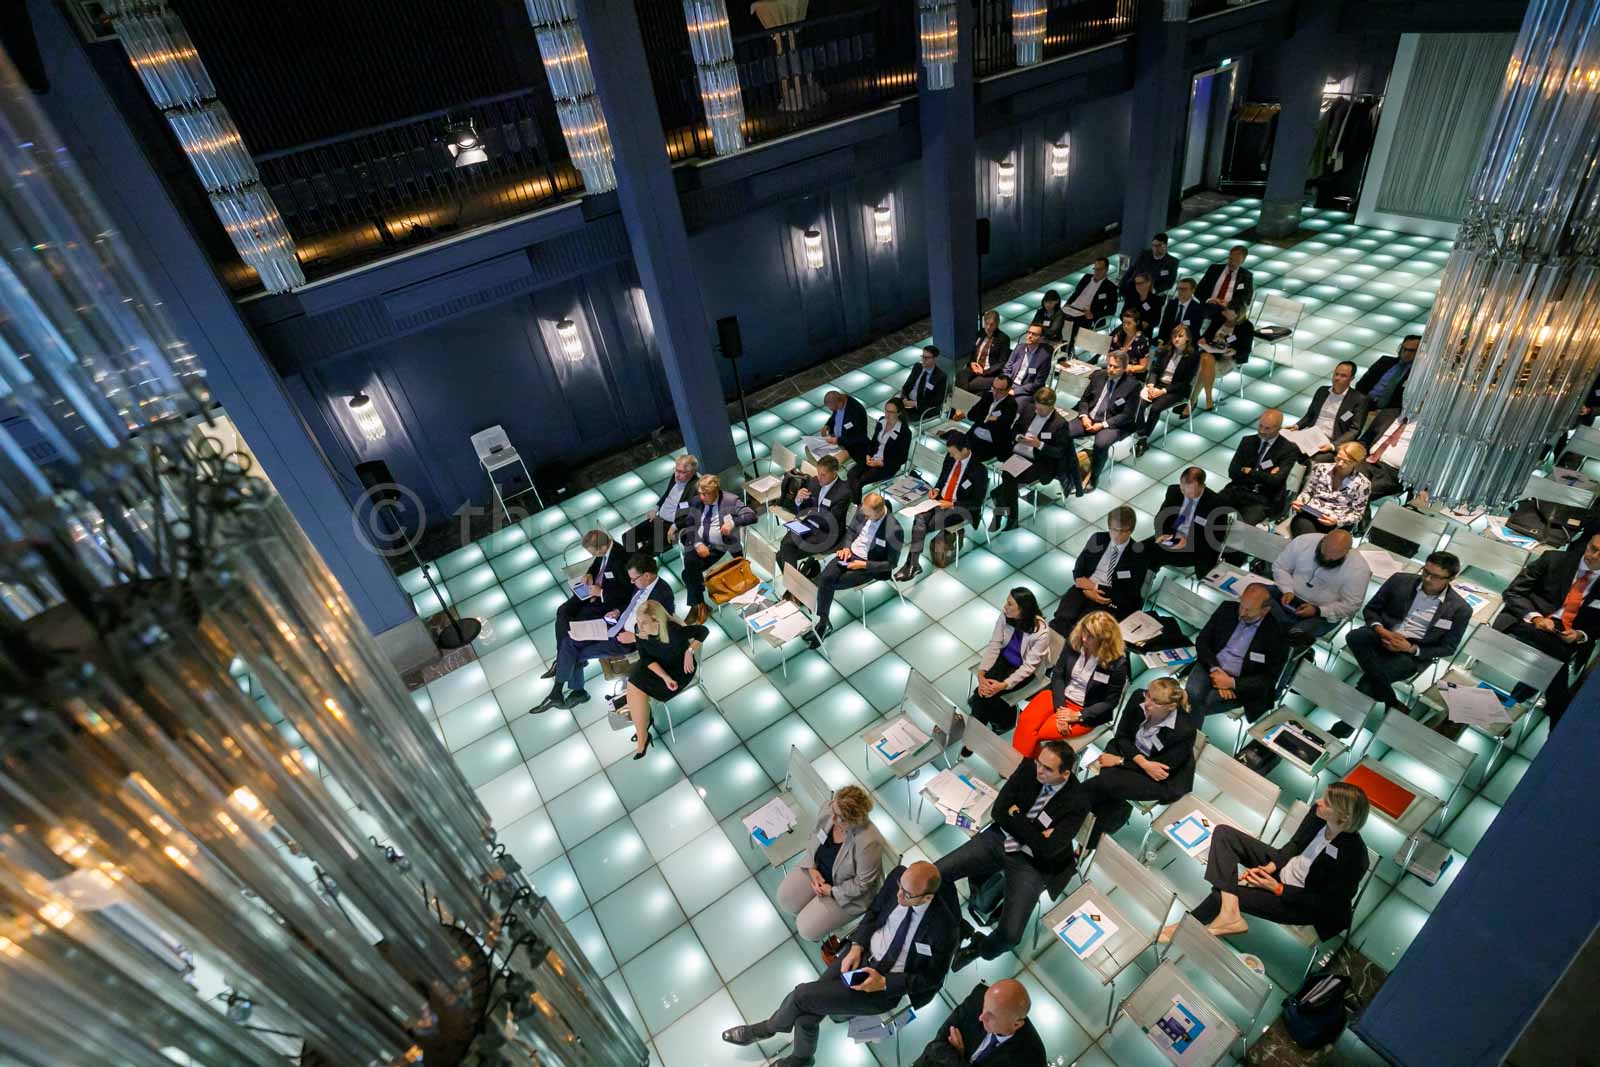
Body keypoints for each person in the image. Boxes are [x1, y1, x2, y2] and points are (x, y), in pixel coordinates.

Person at [722, 861, 960, 1067]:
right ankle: (801, 1059)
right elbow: (874, 913)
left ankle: (766, 1029)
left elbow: (932, 980)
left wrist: (885, 983)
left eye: (907, 895)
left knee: (802, 996)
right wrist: (857, 946)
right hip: (861, 955)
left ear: (927, 898)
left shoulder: (944, 928)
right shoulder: (899, 876)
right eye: (899, 887)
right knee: (807, 1016)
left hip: (884, 986)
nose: (899, 896)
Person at [938, 741, 1087, 970]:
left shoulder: (1077, 801)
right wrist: (1035, 832)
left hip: (1032, 863)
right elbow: (999, 811)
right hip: (1000, 839)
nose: (1039, 770)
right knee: (936, 874)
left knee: (1010, 936)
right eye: (1039, 763)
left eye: (1048, 769)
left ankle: (980, 949)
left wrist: (1016, 816)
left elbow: (1047, 850)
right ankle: (957, 926)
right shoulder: (1028, 768)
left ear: (1065, 774)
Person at [1164, 783, 1370, 943]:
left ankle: (1184, 929)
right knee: (1224, 833)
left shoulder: (1354, 858)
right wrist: (1271, 867)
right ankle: (1230, 913)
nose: (1318, 801)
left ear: (1342, 818)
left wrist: (1277, 888)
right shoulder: (1318, 813)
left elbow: (1326, 903)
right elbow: (1296, 843)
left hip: (1301, 901)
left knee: (1220, 894)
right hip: (1285, 868)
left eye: (1326, 802)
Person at [530, 553, 674, 712]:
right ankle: (570, 692)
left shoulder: (663, 595)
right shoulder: (641, 585)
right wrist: (618, 611)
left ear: (647, 575)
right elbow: (631, 603)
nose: (632, 582)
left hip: (624, 639)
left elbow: (664, 630)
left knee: (574, 653)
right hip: (613, 625)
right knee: (569, 640)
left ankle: (562, 693)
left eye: (634, 579)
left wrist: (634, 637)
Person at [1492, 532, 1600, 723]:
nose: (1593, 556)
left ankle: (1510, 705)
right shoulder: (1554, 560)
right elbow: (1513, 593)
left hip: (1566, 634)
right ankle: (1551, 712)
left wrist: (1579, 634)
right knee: (1555, 660)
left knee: (1552, 656)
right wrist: (1536, 618)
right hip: (1527, 620)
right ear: (1588, 543)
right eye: (1593, 548)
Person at [1079, 677, 1198, 842]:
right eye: (1148, 695)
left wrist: (1120, 761)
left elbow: (1161, 770)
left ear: (1171, 706)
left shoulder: (1185, 730)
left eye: (1155, 701)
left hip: (1159, 777)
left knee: (1106, 784)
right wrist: (1140, 762)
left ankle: (1076, 825)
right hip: (1127, 753)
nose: (1147, 703)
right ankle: (1090, 838)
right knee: (1110, 788)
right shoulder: (1138, 698)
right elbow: (1122, 735)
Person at [1346, 552, 1470, 710]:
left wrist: (1410, 648)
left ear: (1451, 579)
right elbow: (1371, 609)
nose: (1427, 579)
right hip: (1383, 634)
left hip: (1410, 654)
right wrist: (1382, 631)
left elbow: (1448, 648)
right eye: (1426, 571)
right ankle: (1391, 700)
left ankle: (1350, 720)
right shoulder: (1400, 581)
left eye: (1435, 577)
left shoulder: (1460, 609)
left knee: (1368, 686)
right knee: (1355, 636)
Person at [1012, 610, 1128, 758]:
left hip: (1086, 710)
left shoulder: (1117, 665)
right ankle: (1021, 765)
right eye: (1084, 631)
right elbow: (1058, 674)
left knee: (1040, 733)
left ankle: (1021, 766)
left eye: (1091, 636)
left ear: (1104, 640)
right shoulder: (1074, 642)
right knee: (1025, 722)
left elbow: (1110, 702)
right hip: (1058, 696)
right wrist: (1061, 711)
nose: (1084, 638)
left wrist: (1078, 716)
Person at [777, 785, 886, 941]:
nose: (832, 818)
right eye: (833, 809)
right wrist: (812, 868)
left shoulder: (869, 843)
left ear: (853, 820)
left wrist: (832, 891)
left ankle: (817, 916)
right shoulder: (830, 809)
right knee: (785, 899)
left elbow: (863, 884)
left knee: (806, 930)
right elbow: (814, 836)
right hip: (818, 869)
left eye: (839, 817)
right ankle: (811, 910)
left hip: (844, 890)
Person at [808, 493, 902, 645]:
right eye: (863, 512)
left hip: (868, 564)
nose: (864, 516)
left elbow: (891, 564)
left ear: (879, 511)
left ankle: (822, 624)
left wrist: (863, 565)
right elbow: (851, 531)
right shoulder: (863, 510)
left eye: (868, 515)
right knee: (825, 579)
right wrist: (846, 548)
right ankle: (823, 621)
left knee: (828, 583)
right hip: (850, 554)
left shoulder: (894, 529)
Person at [894, 432, 988, 582]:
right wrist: (937, 489)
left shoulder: (979, 470)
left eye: (953, 453)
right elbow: (943, 478)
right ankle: (912, 564)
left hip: (958, 508)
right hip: (939, 501)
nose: (950, 456)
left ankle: (911, 564)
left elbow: (976, 503)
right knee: (920, 518)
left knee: (921, 526)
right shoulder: (950, 459)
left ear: (964, 450)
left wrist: (952, 504)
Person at [1186, 584, 1288, 721]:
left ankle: (1179, 730)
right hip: (1211, 665)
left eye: (1248, 610)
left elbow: (1269, 678)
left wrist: (1232, 683)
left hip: (1242, 681)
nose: (1241, 613)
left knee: (1204, 703)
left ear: (1265, 610)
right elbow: (1202, 640)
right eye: (1241, 606)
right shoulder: (1227, 609)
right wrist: (1216, 670)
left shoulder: (1277, 633)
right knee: (1192, 694)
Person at [622, 601, 708, 757]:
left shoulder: (673, 631)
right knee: (633, 685)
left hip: (678, 671)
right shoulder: (640, 630)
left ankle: (642, 731)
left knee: (636, 690)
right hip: (657, 665)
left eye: (643, 622)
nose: (639, 627)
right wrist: (664, 676)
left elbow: (703, 631)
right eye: (638, 621)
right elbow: (646, 658)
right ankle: (642, 735)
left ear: (656, 620)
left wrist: (689, 651)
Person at [1049, 505, 1147, 634]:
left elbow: (1129, 592)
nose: (1117, 535)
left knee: (1085, 630)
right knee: (1061, 620)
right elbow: (1079, 568)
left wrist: (1095, 587)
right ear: (1109, 527)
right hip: (1083, 589)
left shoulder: (1138, 554)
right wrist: (1087, 589)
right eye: (1114, 529)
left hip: (1108, 598)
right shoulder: (1098, 539)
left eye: (1123, 531)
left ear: (1131, 530)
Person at [676, 474, 757, 624]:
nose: (701, 497)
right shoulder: (697, 501)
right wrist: (698, 544)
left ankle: (698, 605)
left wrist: (732, 522)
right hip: (700, 544)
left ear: (715, 491)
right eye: (700, 493)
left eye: (705, 494)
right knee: (690, 563)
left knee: (688, 572)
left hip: (720, 547)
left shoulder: (730, 500)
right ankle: (699, 605)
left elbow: (752, 516)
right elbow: (690, 523)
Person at [968, 588, 1052, 732]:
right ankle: (991, 726)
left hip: (1025, 669)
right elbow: (995, 644)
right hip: (1004, 658)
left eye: (1010, 604)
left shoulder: (1041, 631)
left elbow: (1029, 667)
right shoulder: (1005, 615)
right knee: (984, 693)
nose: (1005, 606)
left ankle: (976, 731)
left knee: (986, 696)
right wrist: (982, 674)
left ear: (1023, 609)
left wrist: (1004, 685)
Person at [912, 979, 1046, 1067]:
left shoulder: (1032, 1058)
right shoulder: (979, 998)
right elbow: (936, 1047)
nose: (981, 1017)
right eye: (984, 1007)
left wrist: (959, 1057)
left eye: (991, 1016)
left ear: (1016, 1025)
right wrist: (961, 1058)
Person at [1269, 530, 1371, 644]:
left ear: (1347, 552)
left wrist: (1318, 611)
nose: (1326, 559)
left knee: (1295, 634)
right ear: (1323, 540)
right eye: (1324, 553)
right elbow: (1280, 567)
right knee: (1256, 594)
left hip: (1321, 614)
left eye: (1332, 559)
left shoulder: (1359, 569)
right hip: (1287, 595)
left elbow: (1351, 605)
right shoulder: (1304, 541)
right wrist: (1287, 589)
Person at [990, 386, 1070, 532]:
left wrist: (1039, 445)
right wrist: (1018, 437)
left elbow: (1059, 452)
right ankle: (1006, 514)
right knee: (1005, 484)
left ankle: (1007, 516)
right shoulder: (1029, 409)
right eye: (1036, 408)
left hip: (1039, 462)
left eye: (1041, 410)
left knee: (1008, 477)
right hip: (1018, 454)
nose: (1037, 411)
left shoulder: (1059, 424)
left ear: (1051, 406)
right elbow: (1015, 429)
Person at [1063, 350, 1140, 491]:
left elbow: (1127, 415)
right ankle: (1070, 467)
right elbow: (1084, 400)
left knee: (1101, 443)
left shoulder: (1132, 386)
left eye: (1115, 367)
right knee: (1063, 432)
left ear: (1124, 368)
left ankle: (1094, 476)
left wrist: (1103, 425)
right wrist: (1084, 416)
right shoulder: (1098, 376)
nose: (1111, 369)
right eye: (1109, 365)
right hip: (1090, 418)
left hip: (1113, 424)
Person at [549, 529, 632, 655]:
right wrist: (589, 574)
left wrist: (601, 592)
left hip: (605, 600)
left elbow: (626, 592)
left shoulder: (620, 560)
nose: (593, 555)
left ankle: (564, 656)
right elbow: (596, 564)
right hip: (591, 591)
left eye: (593, 553)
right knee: (563, 610)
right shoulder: (604, 550)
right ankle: (562, 655)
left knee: (575, 624)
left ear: (602, 547)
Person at [1143, 466, 1229, 579]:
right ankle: (1142, 581)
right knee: (1139, 550)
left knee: (1154, 556)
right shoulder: (1174, 491)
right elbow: (1161, 518)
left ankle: (1145, 581)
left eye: (1191, 493)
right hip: (1171, 537)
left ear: (1202, 486)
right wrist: (1163, 534)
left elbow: (1216, 538)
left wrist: (1187, 542)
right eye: (1183, 490)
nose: (1186, 495)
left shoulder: (1217, 504)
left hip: (1194, 548)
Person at [1218, 409, 1300, 525]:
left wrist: (1250, 472)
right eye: (1260, 426)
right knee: (1210, 511)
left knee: (1242, 527)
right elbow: (1233, 472)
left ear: (1279, 428)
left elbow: (1275, 481)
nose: (1262, 431)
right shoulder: (1247, 441)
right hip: (1237, 490)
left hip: (1262, 499)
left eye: (1267, 428)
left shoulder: (1288, 449)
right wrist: (1265, 475)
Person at [778, 454, 852, 575]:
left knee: (783, 552)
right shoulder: (814, 482)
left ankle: (793, 584)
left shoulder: (844, 492)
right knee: (785, 547)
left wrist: (811, 515)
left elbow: (829, 521)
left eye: (823, 475)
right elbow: (802, 510)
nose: (819, 478)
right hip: (808, 525)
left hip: (826, 534)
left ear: (834, 473)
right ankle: (795, 584)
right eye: (818, 473)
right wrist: (798, 499)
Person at [1130, 324, 1199, 449]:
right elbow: (1154, 371)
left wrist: (1163, 391)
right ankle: (1142, 434)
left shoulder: (1193, 357)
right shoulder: (1165, 350)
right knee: (1138, 403)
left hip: (1175, 390)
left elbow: (1184, 383)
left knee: (1155, 408)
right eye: (1174, 336)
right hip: (1157, 385)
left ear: (1187, 339)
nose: (1176, 339)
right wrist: (1151, 385)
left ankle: (1143, 438)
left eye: (1180, 336)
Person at [1290, 442, 1372, 536]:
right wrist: (1300, 501)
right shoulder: (1321, 468)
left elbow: (1357, 514)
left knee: (1325, 539)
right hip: (1311, 514)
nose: (1340, 464)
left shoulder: (1363, 484)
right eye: (1338, 458)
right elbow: (1309, 491)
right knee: (1305, 528)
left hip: (1336, 523)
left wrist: (1338, 521)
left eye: (1346, 461)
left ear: (1357, 463)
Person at [623, 453, 698, 554]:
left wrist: (675, 526)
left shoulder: (696, 488)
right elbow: (667, 494)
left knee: (642, 553)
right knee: (627, 537)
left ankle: (638, 561)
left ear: (691, 472)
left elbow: (693, 516)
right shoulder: (676, 477)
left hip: (670, 527)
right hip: (658, 519)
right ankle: (635, 562)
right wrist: (655, 508)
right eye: (676, 470)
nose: (676, 474)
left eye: (681, 472)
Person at [1291, 361, 1369, 460]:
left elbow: (1354, 430)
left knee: (1317, 459)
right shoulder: (1322, 391)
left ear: (1351, 378)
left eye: (1343, 376)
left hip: (1332, 440)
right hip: (1311, 435)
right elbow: (1310, 415)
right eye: (1336, 374)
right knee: (1284, 444)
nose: (1337, 378)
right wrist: (1296, 426)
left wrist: (1333, 446)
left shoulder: (1359, 399)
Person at [847, 396, 912, 503]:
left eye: (891, 412)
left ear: (899, 413)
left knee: (860, 480)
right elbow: (873, 442)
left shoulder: (904, 432)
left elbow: (901, 458)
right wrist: (868, 455)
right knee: (851, 474)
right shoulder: (882, 421)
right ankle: (852, 502)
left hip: (887, 465)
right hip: (873, 458)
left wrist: (881, 463)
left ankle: (856, 504)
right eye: (886, 410)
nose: (887, 415)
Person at [1194, 299, 1253, 412]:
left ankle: (1192, 400)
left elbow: (1246, 350)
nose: (1224, 313)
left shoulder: (1246, 327)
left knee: (1203, 366)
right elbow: (1208, 334)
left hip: (1227, 358)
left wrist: (1234, 351)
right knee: (1206, 359)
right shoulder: (1219, 318)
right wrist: (1203, 339)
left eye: (1228, 312)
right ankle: (1207, 399)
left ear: (1237, 315)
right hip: (1210, 352)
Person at [956, 374, 1020, 464]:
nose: (995, 393)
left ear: (1008, 390)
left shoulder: (1011, 405)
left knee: (969, 459)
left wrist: (983, 418)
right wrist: (988, 418)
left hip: (990, 442)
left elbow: (999, 427)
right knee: (955, 449)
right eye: (994, 388)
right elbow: (972, 415)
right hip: (973, 436)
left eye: (1000, 390)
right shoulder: (988, 395)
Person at [1355, 334, 1421, 417]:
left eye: (1411, 351)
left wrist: (1383, 412)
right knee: (1345, 417)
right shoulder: (1385, 361)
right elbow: (1362, 384)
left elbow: (1403, 401)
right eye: (1404, 349)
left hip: (1387, 411)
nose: (1406, 353)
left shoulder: (1417, 373)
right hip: (1364, 402)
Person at [1059, 257, 1119, 348]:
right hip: (1073, 308)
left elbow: (1111, 310)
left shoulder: (1110, 287)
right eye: (1095, 269)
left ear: (1106, 270)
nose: (1097, 272)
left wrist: (1093, 315)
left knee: (1070, 325)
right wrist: (1068, 303)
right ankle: (1059, 345)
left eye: (1100, 269)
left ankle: (1066, 348)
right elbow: (1076, 293)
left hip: (1086, 315)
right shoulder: (1086, 278)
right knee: (1056, 319)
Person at [1360, 409, 1416, 501]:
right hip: (1367, 460)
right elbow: (1367, 438)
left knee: (1363, 491)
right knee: (1346, 481)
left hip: (1392, 472)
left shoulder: (1430, 429)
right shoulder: (1389, 413)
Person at [1198, 244, 1254, 326]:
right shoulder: (1214, 269)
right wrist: (1209, 300)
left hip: (1228, 309)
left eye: (1237, 261)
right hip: (1209, 305)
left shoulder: (1246, 276)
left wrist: (1229, 304)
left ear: (1243, 261)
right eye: (1231, 259)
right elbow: (1199, 290)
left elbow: (1247, 299)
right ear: (1229, 256)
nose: (1233, 263)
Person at [992, 322, 1053, 397]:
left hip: (1025, 390)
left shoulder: (1044, 358)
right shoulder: (1019, 348)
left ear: (1041, 338)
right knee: (993, 395)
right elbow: (1007, 368)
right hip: (1010, 383)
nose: (1030, 336)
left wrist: (1015, 391)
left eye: (1034, 334)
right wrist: (1006, 384)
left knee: (1014, 403)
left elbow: (1038, 383)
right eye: (1029, 332)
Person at [958, 311, 1013, 392]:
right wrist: (972, 363)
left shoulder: (1003, 339)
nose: (988, 327)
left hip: (989, 373)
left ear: (997, 324)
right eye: (986, 324)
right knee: (959, 378)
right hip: (974, 367)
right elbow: (973, 351)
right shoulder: (981, 333)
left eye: (991, 325)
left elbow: (1002, 363)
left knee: (971, 385)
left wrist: (984, 371)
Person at [1123, 232, 1180, 301]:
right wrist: (1125, 284)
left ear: (1165, 245)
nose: (1155, 248)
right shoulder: (1144, 254)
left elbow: (1169, 283)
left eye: (1158, 245)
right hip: (1136, 290)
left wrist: (1154, 290)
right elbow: (1133, 269)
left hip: (1154, 295)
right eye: (1153, 245)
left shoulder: (1172, 262)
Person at [819, 389, 871, 462]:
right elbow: (834, 416)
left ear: (838, 403)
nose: (831, 410)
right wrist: (827, 425)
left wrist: (839, 440)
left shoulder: (856, 411)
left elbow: (860, 436)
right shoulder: (840, 403)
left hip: (853, 445)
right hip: (837, 440)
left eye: (833, 408)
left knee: (830, 462)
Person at [901, 345, 949, 421]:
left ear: (935, 359)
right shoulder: (917, 367)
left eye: (927, 358)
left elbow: (937, 400)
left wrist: (915, 404)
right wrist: (904, 398)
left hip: (921, 409)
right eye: (923, 357)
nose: (923, 360)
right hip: (906, 403)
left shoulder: (940, 377)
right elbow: (906, 386)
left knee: (901, 420)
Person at [1156, 276, 1206, 344]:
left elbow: (1195, 330)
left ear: (1193, 290)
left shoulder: (1198, 308)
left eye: (1184, 289)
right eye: (1179, 288)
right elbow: (1164, 324)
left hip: (1186, 342)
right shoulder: (1171, 304)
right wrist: (1161, 340)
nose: (1180, 291)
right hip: (1168, 340)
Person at [1104, 308, 1152, 375]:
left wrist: (1126, 368)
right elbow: (1109, 355)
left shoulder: (1142, 341)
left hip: (1130, 374)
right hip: (1113, 370)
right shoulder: (1117, 335)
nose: (1125, 326)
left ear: (1137, 323)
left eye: (1129, 323)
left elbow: (1143, 367)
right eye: (1124, 323)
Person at [1121, 272, 1165, 338]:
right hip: (1127, 330)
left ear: (1148, 283)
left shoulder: (1155, 300)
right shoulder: (1131, 297)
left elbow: (1156, 321)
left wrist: (1146, 324)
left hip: (1144, 334)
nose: (1137, 286)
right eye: (1136, 283)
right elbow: (1122, 314)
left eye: (1140, 283)